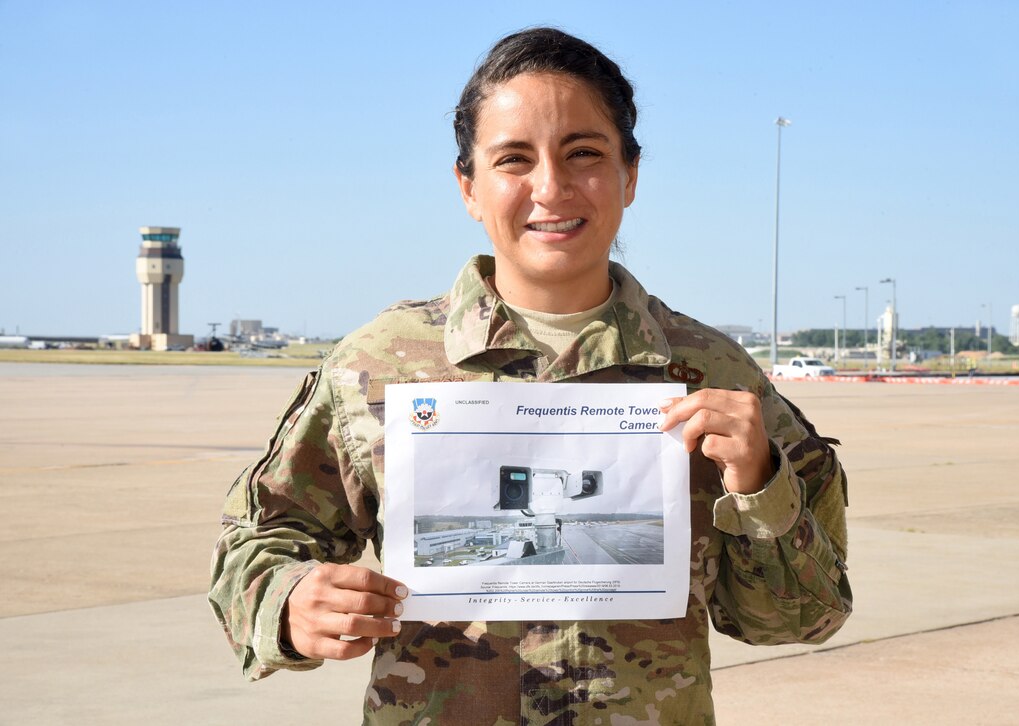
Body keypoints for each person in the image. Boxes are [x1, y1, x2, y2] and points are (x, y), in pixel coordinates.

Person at [210, 27, 851, 724]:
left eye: (584, 154)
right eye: (514, 159)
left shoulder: (715, 375)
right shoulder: (378, 365)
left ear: (631, 175)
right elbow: (258, 543)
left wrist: (759, 483)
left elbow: (803, 618)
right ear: (469, 186)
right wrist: (291, 601)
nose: (551, 187)